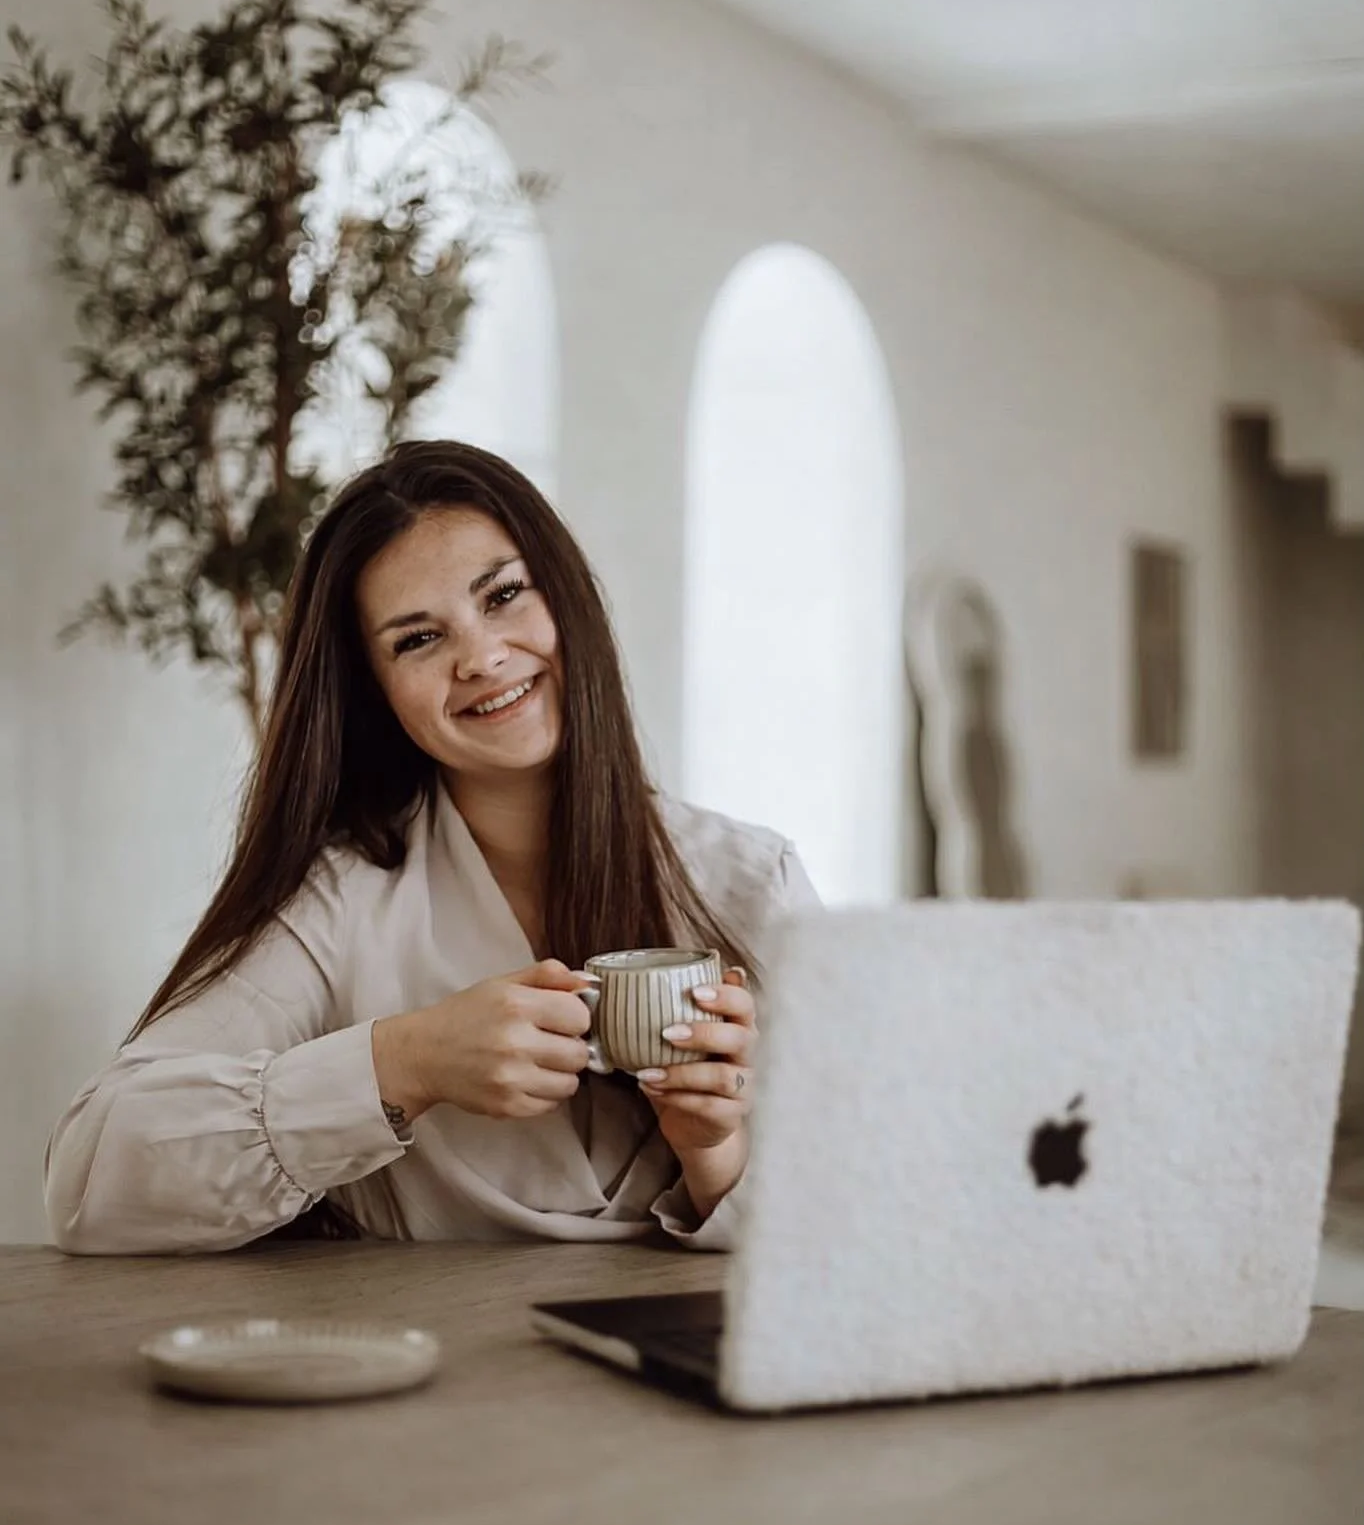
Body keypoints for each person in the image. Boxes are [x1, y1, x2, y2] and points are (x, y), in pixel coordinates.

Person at [45, 441, 819, 1254]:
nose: (481, 658)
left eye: (504, 596)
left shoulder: (751, 881)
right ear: (374, 690)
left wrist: (713, 1154)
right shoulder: (336, 899)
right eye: (417, 639)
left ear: (567, 595)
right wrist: (401, 1065)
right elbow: (89, 1179)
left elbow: (858, 1218)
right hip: (416, 1337)